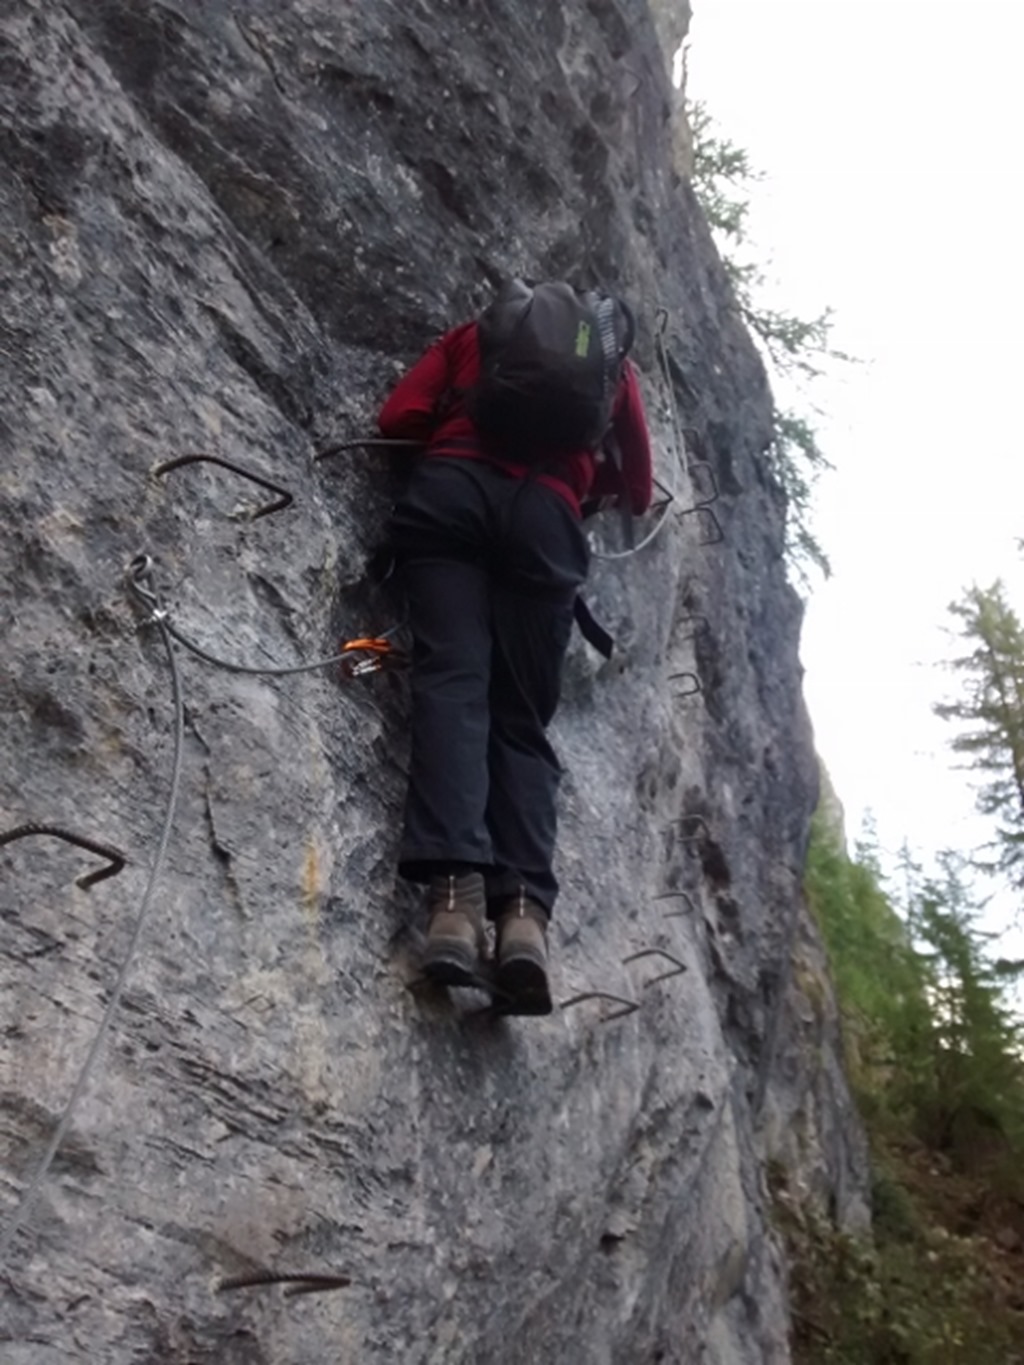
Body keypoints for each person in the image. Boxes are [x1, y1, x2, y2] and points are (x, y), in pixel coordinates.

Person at [378, 282, 653, 1015]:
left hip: (450, 499)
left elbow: (398, 416)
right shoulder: (611, 366)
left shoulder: (473, 335)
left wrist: (452, 439)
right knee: (522, 722)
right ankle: (524, 922)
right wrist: (581, 485)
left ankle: (453, 907)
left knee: (452, 685)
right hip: (545, 524)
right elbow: (640, 487)